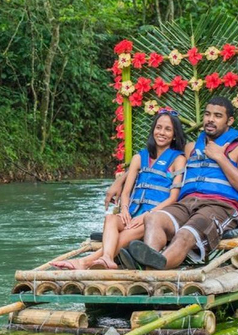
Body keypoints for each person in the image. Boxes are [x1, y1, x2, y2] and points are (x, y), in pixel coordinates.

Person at [120, 96, 238, 270]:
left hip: (219, 207)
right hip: (186, 204)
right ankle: (151, 267)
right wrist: (120, 181)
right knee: (153, 218)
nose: (210, 119)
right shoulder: (191, 148)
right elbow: (156, 162)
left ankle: (147, 269)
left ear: (229, 121)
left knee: (185, 235)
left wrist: (220, 157)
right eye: (207, 114)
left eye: (217, 116)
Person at [51, 108, 186, 269]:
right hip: (133, 213)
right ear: (153, 130)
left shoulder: (178, 159)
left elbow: (173, 198)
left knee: (127, 233)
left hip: (153, 219)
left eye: (168, 129)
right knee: (110, 219)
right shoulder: (139, 158)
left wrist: (147, 216)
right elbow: (126, 192)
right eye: (158, 127)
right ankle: (107, 257)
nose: (161, 132)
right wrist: (124, 212)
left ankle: (84, 262)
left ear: (175, 134)